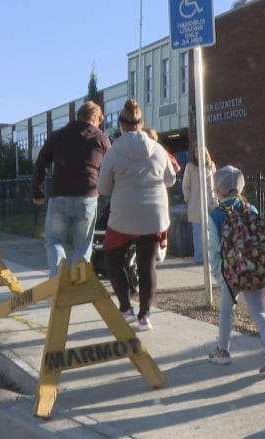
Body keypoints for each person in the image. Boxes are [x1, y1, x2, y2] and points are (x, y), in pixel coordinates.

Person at [96, 99, 177, 331]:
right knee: (147, 266)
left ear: (121, 125)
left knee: (112, 259)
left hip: (123, 215)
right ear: (141, 124)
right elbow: (170, 179)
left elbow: (103, 188)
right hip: (154, 215)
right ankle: (144, 316)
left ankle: (125, 307)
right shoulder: (158, 148)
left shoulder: (114, 151)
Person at [205, 164, 265, 377]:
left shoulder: (215, 215)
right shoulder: (251, 209)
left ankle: (222, 350)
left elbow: (213, 248)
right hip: (252, 268)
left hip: (231, 272)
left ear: (218, 189)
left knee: (226, 310)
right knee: (258, 311)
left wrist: (219, 274)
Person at [32, 101, 111, 277]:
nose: (99, 125)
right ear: (95, 118)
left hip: (60, 196)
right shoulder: (101, 139)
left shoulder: (58, 136)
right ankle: (77, 283)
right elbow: (111, 168)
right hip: (87, 196)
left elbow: (40, 163)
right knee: (83, 246)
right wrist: (104, 189)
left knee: (54, 240)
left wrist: (37, 190)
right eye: (99, 121)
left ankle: (59, 277)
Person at [144, 127, 182, 263]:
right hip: (158, 193)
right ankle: (159, 247)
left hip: (140, 195)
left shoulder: (137, 150)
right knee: (159, 223)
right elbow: (175, 170)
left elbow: (176, 167)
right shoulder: (161, 151)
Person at [182, 144, 216, 264]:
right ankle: (199, 257)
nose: (198, 154)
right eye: (195, 152)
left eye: (200, 152)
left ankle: (211, 257)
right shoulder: (190, 167)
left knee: (212, 231)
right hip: (196, 204)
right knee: (198, 232)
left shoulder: (211, 165)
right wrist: (188, 197)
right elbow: (185, 186)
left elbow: (215, 183)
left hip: (211, 202)